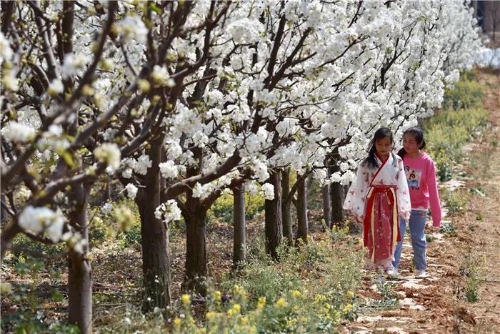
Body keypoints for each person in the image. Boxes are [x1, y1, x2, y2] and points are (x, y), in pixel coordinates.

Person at [343, 127, 411, 275]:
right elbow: (361, 184)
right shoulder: (367, 164)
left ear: (392, 144)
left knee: (388, 230)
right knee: (372, 230)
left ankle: (387, 263)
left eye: (387, 144)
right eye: (380, 144)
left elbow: (402, 184)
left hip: (390, 200)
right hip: (373, 200)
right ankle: (371, 263)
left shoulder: (397, 161)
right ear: (374, 144)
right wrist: (359, 207)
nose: (383, 148)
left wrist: (403, 205)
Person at [392, 126, 442, 278]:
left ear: (419, 143)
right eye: (404, 141)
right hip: (400, 205)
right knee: (397, 236)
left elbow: (433, 189)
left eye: (411, 142)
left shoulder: (426, 162)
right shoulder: (398, 159)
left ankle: (421, 268)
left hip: (419, 206)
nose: (406, 145)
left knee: (417, 237)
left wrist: (437, 217)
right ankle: (393, 267)